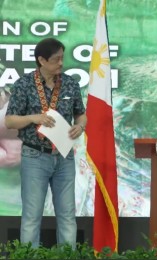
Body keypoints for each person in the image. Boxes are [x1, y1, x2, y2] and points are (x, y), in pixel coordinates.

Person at [5, 38, 87, 248]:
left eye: (62, 58)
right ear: (41, 60)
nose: (61, 63)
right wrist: (34, 118)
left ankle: (66, 255)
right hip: (34, 156)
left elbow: (81, 114)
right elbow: (10, 120)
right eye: (56, 59)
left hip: (64, 155)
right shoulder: (23, 84)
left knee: (67, 215)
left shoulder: (70, 83)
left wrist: (80, 126)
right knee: (32, 216)